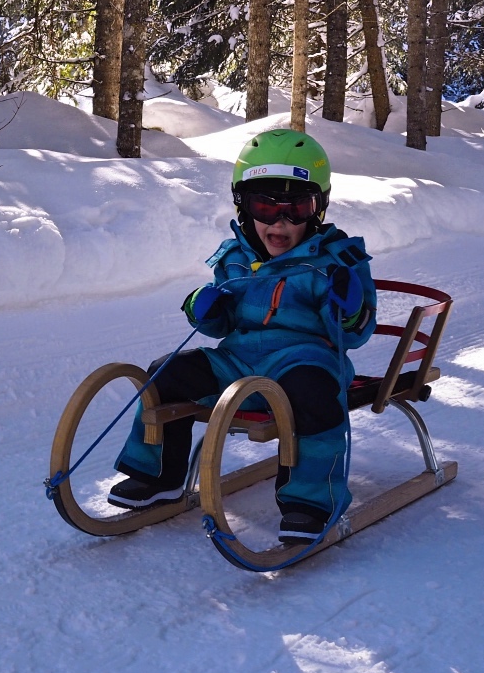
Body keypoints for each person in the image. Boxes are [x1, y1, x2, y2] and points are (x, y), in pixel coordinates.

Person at [108, 128, 376, 544]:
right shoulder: (235, 257)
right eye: (264, 206)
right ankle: (156, 475)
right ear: (243, 204)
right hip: (237, 363)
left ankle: (310, 501)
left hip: (304, 363)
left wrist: (350, 304)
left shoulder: (337, 261)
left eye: (296, 208)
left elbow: (354, 334)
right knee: (166, 374)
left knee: (313, 391)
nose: (280, 222)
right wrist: (203, 306)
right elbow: (221, 324)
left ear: (317, 208)